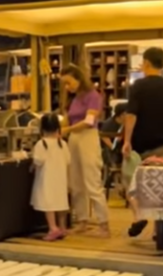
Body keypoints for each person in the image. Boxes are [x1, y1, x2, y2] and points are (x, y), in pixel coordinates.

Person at [122, 47, 163, 238]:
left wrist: (126, 141)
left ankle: (138, 216)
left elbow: (131, 115)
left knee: (130, 181)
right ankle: (159, 231)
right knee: (160, 188)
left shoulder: (138, 86)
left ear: (146, 63)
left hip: (140, 145)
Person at [59, 65, 109, 236]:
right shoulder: (74, 99)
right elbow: (67, 118)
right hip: (74, 138)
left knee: (92, 180)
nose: (67, 87)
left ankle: (103, 223)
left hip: (88, 137)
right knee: (76, 182)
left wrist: (67, 130)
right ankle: (82, 220)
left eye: (69, 82)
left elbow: (89, 121)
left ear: (78, 79)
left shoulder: (93, 96)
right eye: (65, 84)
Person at [30, 113, 70, 242]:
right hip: (60, 177)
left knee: (48, 204)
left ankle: (53, 228)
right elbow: (68, 161)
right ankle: (62, 227)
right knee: (61, 202)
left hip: (46, 178)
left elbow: (38, 161)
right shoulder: (62, 143)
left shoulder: (41, 144)